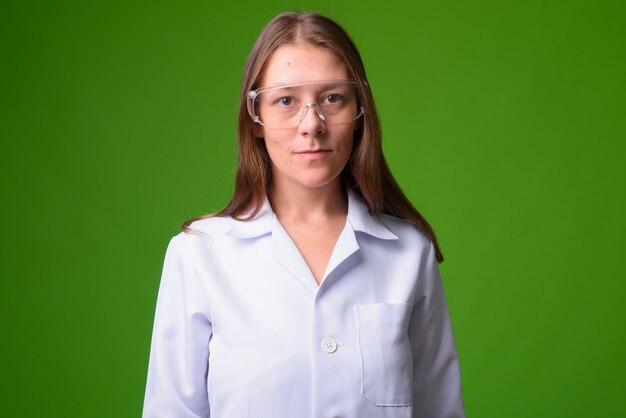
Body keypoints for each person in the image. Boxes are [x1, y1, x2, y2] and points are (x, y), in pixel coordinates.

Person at [143, 11, 465, 418]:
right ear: (255, 118)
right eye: (285, 101)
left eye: (332, 97)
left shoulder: (408, 254)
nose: (312, 125)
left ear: (360, 112)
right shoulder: (199, 256)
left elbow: (441, 410)